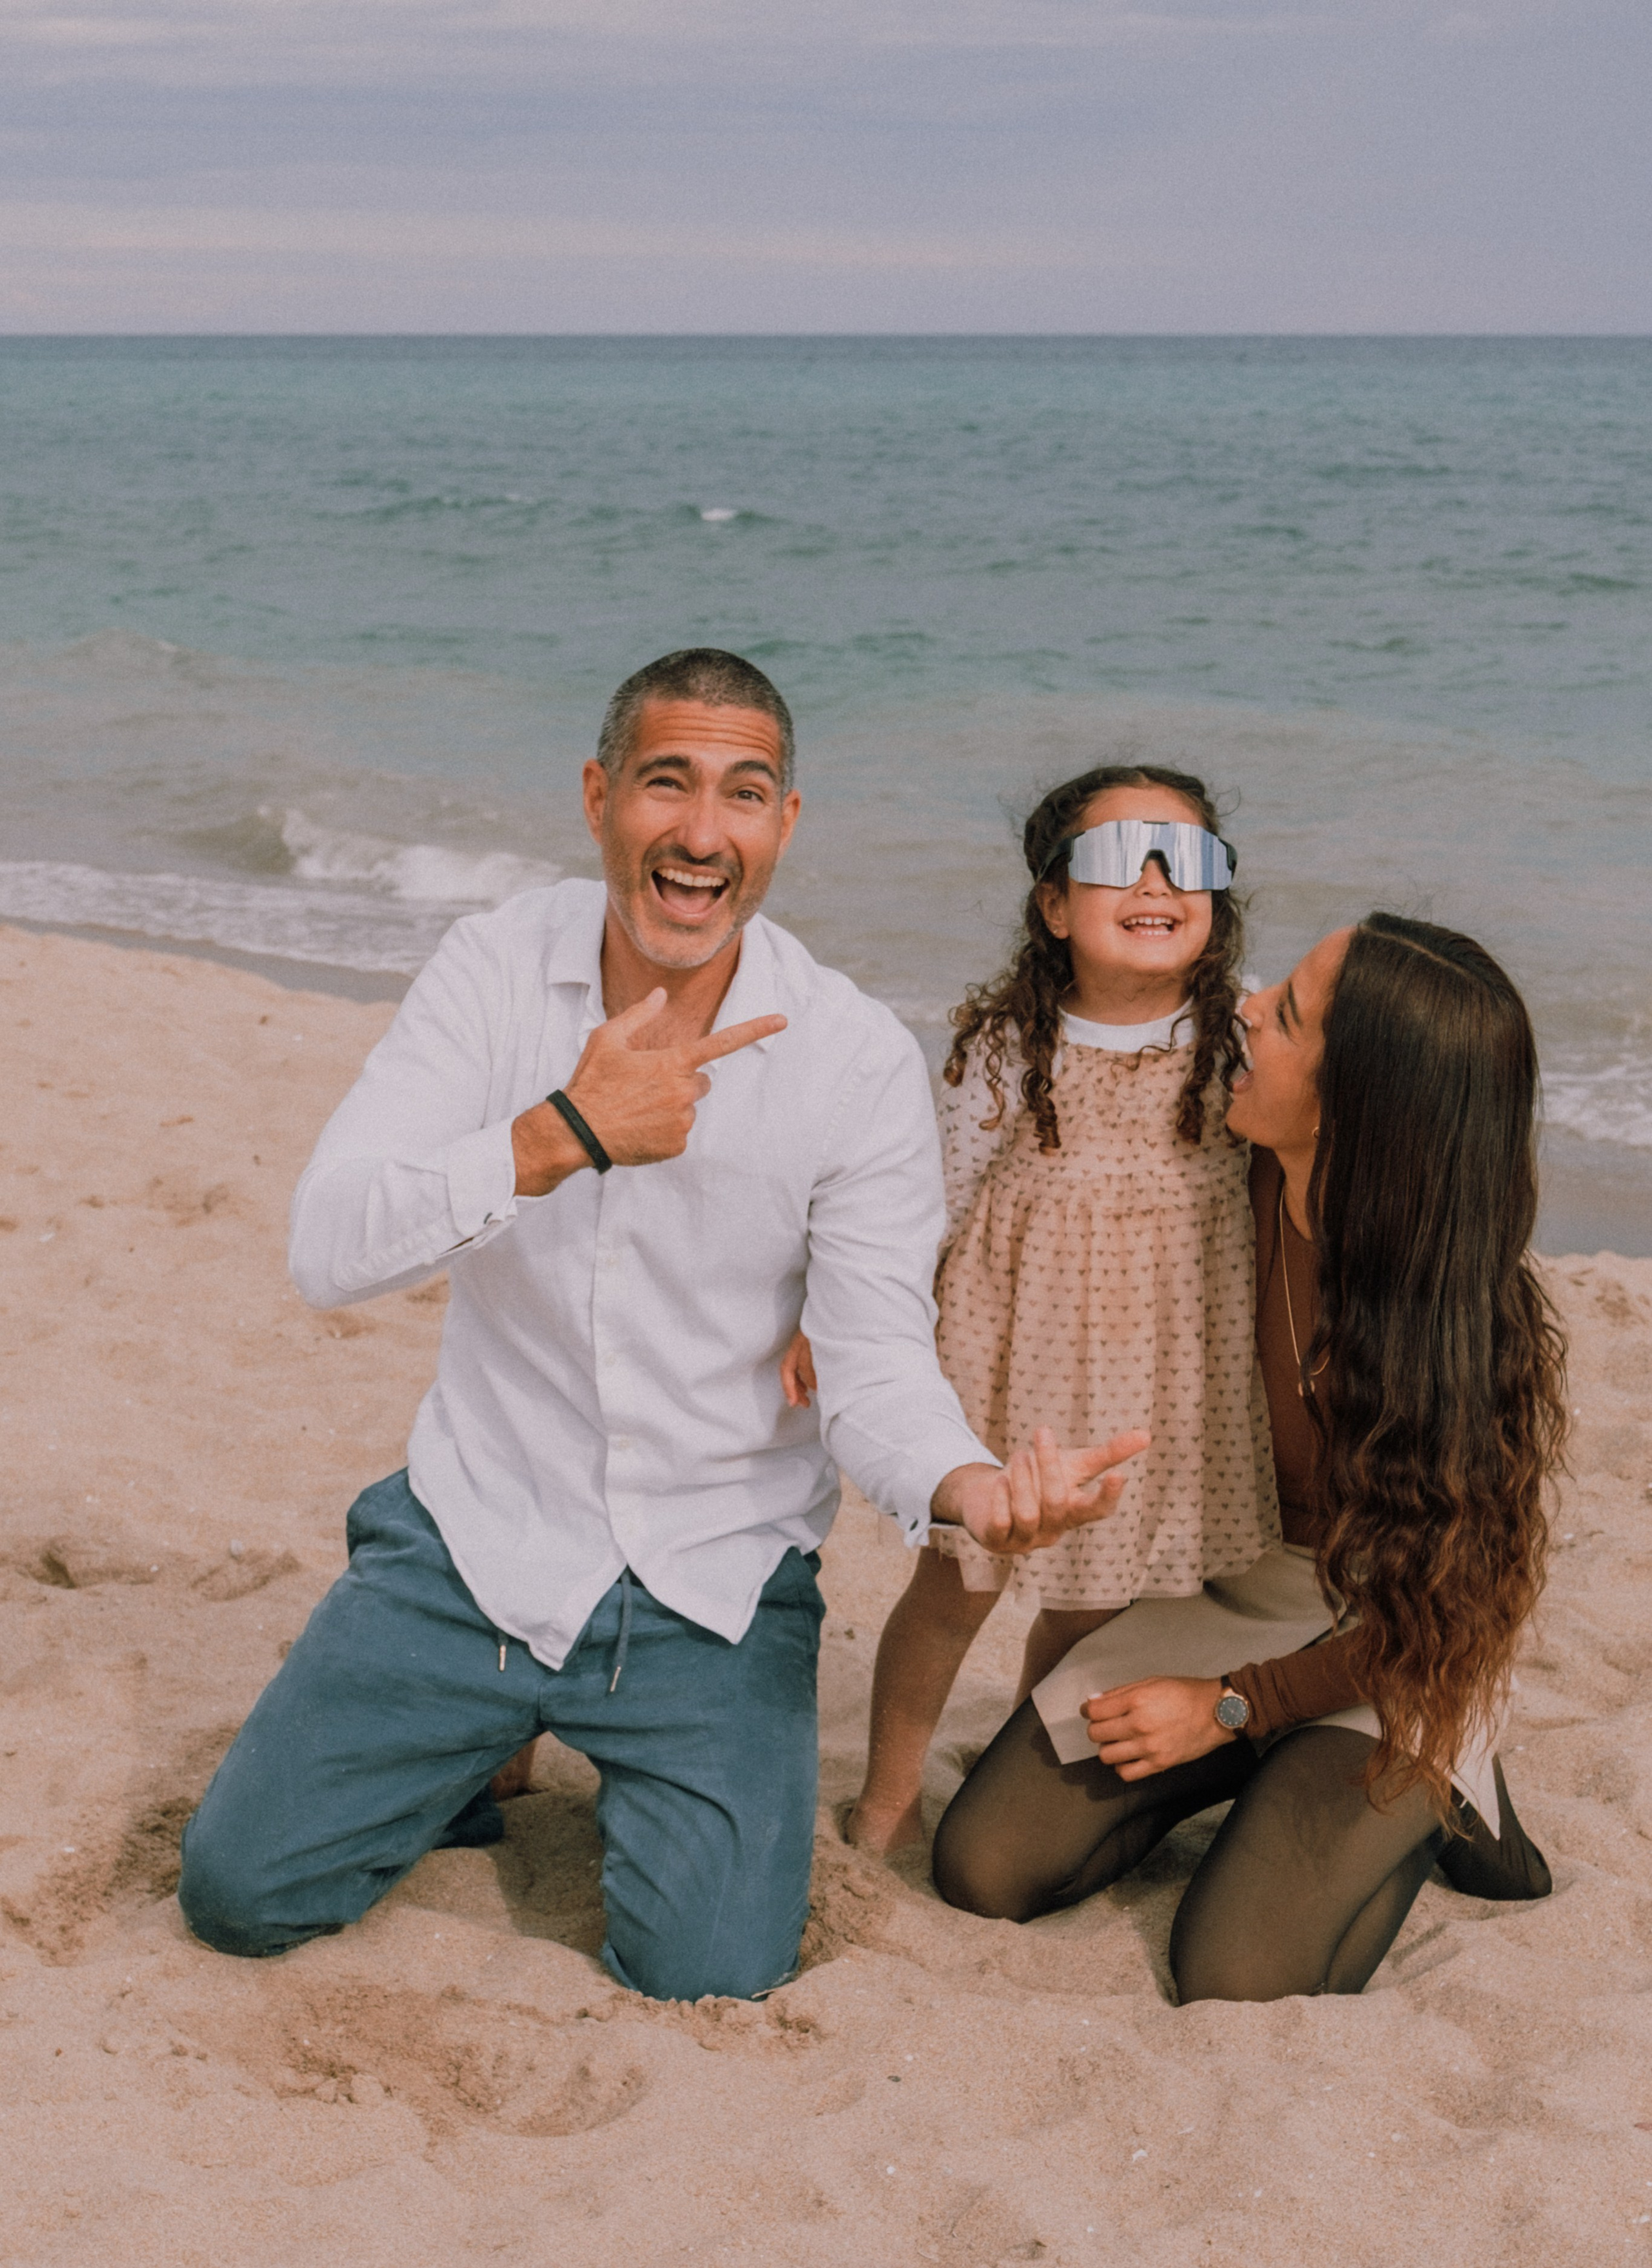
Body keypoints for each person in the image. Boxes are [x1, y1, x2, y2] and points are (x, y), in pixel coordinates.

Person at [176, 648, 1145, 2004]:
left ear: (784, 825)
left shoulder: (852, 1056)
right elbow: (326, 1247)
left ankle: (529, 1738)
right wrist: (560, 1134)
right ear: (597, 797)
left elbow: (871, 1360)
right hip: (477, 1542)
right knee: (236, 1898)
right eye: (666, 784)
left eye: (743, 795)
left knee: (706, 1978)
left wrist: (966, 1489)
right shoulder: (494, 968)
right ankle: (462, 1708)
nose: (701, 833)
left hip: (711, 1579)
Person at [931, 914, 1562, 2002]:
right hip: (1246, 1585)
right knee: (984, 1865)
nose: (1248, 1008)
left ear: (1357, 1103)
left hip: (1401, 1644)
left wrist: (1229, 1707)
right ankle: (1283, 1769)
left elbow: (1437, 1613)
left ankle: (1442, 1790)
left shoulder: (1462, 1321)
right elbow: (1032, 1124)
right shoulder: (1232, 1170)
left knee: (1234, 1973)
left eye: (1292, 1015)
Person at [806, 765, 1276, 1856]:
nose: (1157, 879)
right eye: (1119, 859)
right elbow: (929, 1203)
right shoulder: (1008, 1046)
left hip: (1162, 1364)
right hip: (1010, 1350)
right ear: (1056, 906)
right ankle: (887, 1796)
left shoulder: (1240, 1042)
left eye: (1190, 860)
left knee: (1093, 1600)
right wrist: (845, 1323)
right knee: (958, 1580)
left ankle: (1017, 1759)